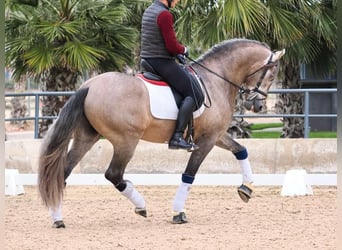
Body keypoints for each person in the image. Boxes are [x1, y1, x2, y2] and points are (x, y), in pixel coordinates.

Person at [140, 0, 199, 151]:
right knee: (194, 92)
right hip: (161, 62)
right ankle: (177, 137)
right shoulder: (164, 14)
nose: (178, 1)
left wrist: (176, 54)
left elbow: (157, 40)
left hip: (148, 59)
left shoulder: (150, 10)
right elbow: (172, 45)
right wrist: (184, 50)